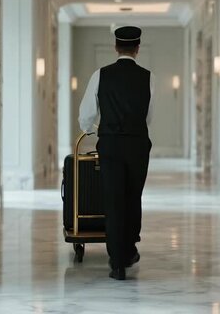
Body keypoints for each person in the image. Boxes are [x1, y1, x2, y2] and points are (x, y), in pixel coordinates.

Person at [78, 26, 154, 280]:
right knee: (133, 197)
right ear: (138, 48)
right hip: (137, 144)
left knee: (113, 199)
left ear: (115, 47)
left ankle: (117, 262)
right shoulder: (146, 77)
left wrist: (94, 130)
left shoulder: (101, 75)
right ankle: (129, 249)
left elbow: (86, 115)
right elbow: (148, 116)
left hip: (110, 144)